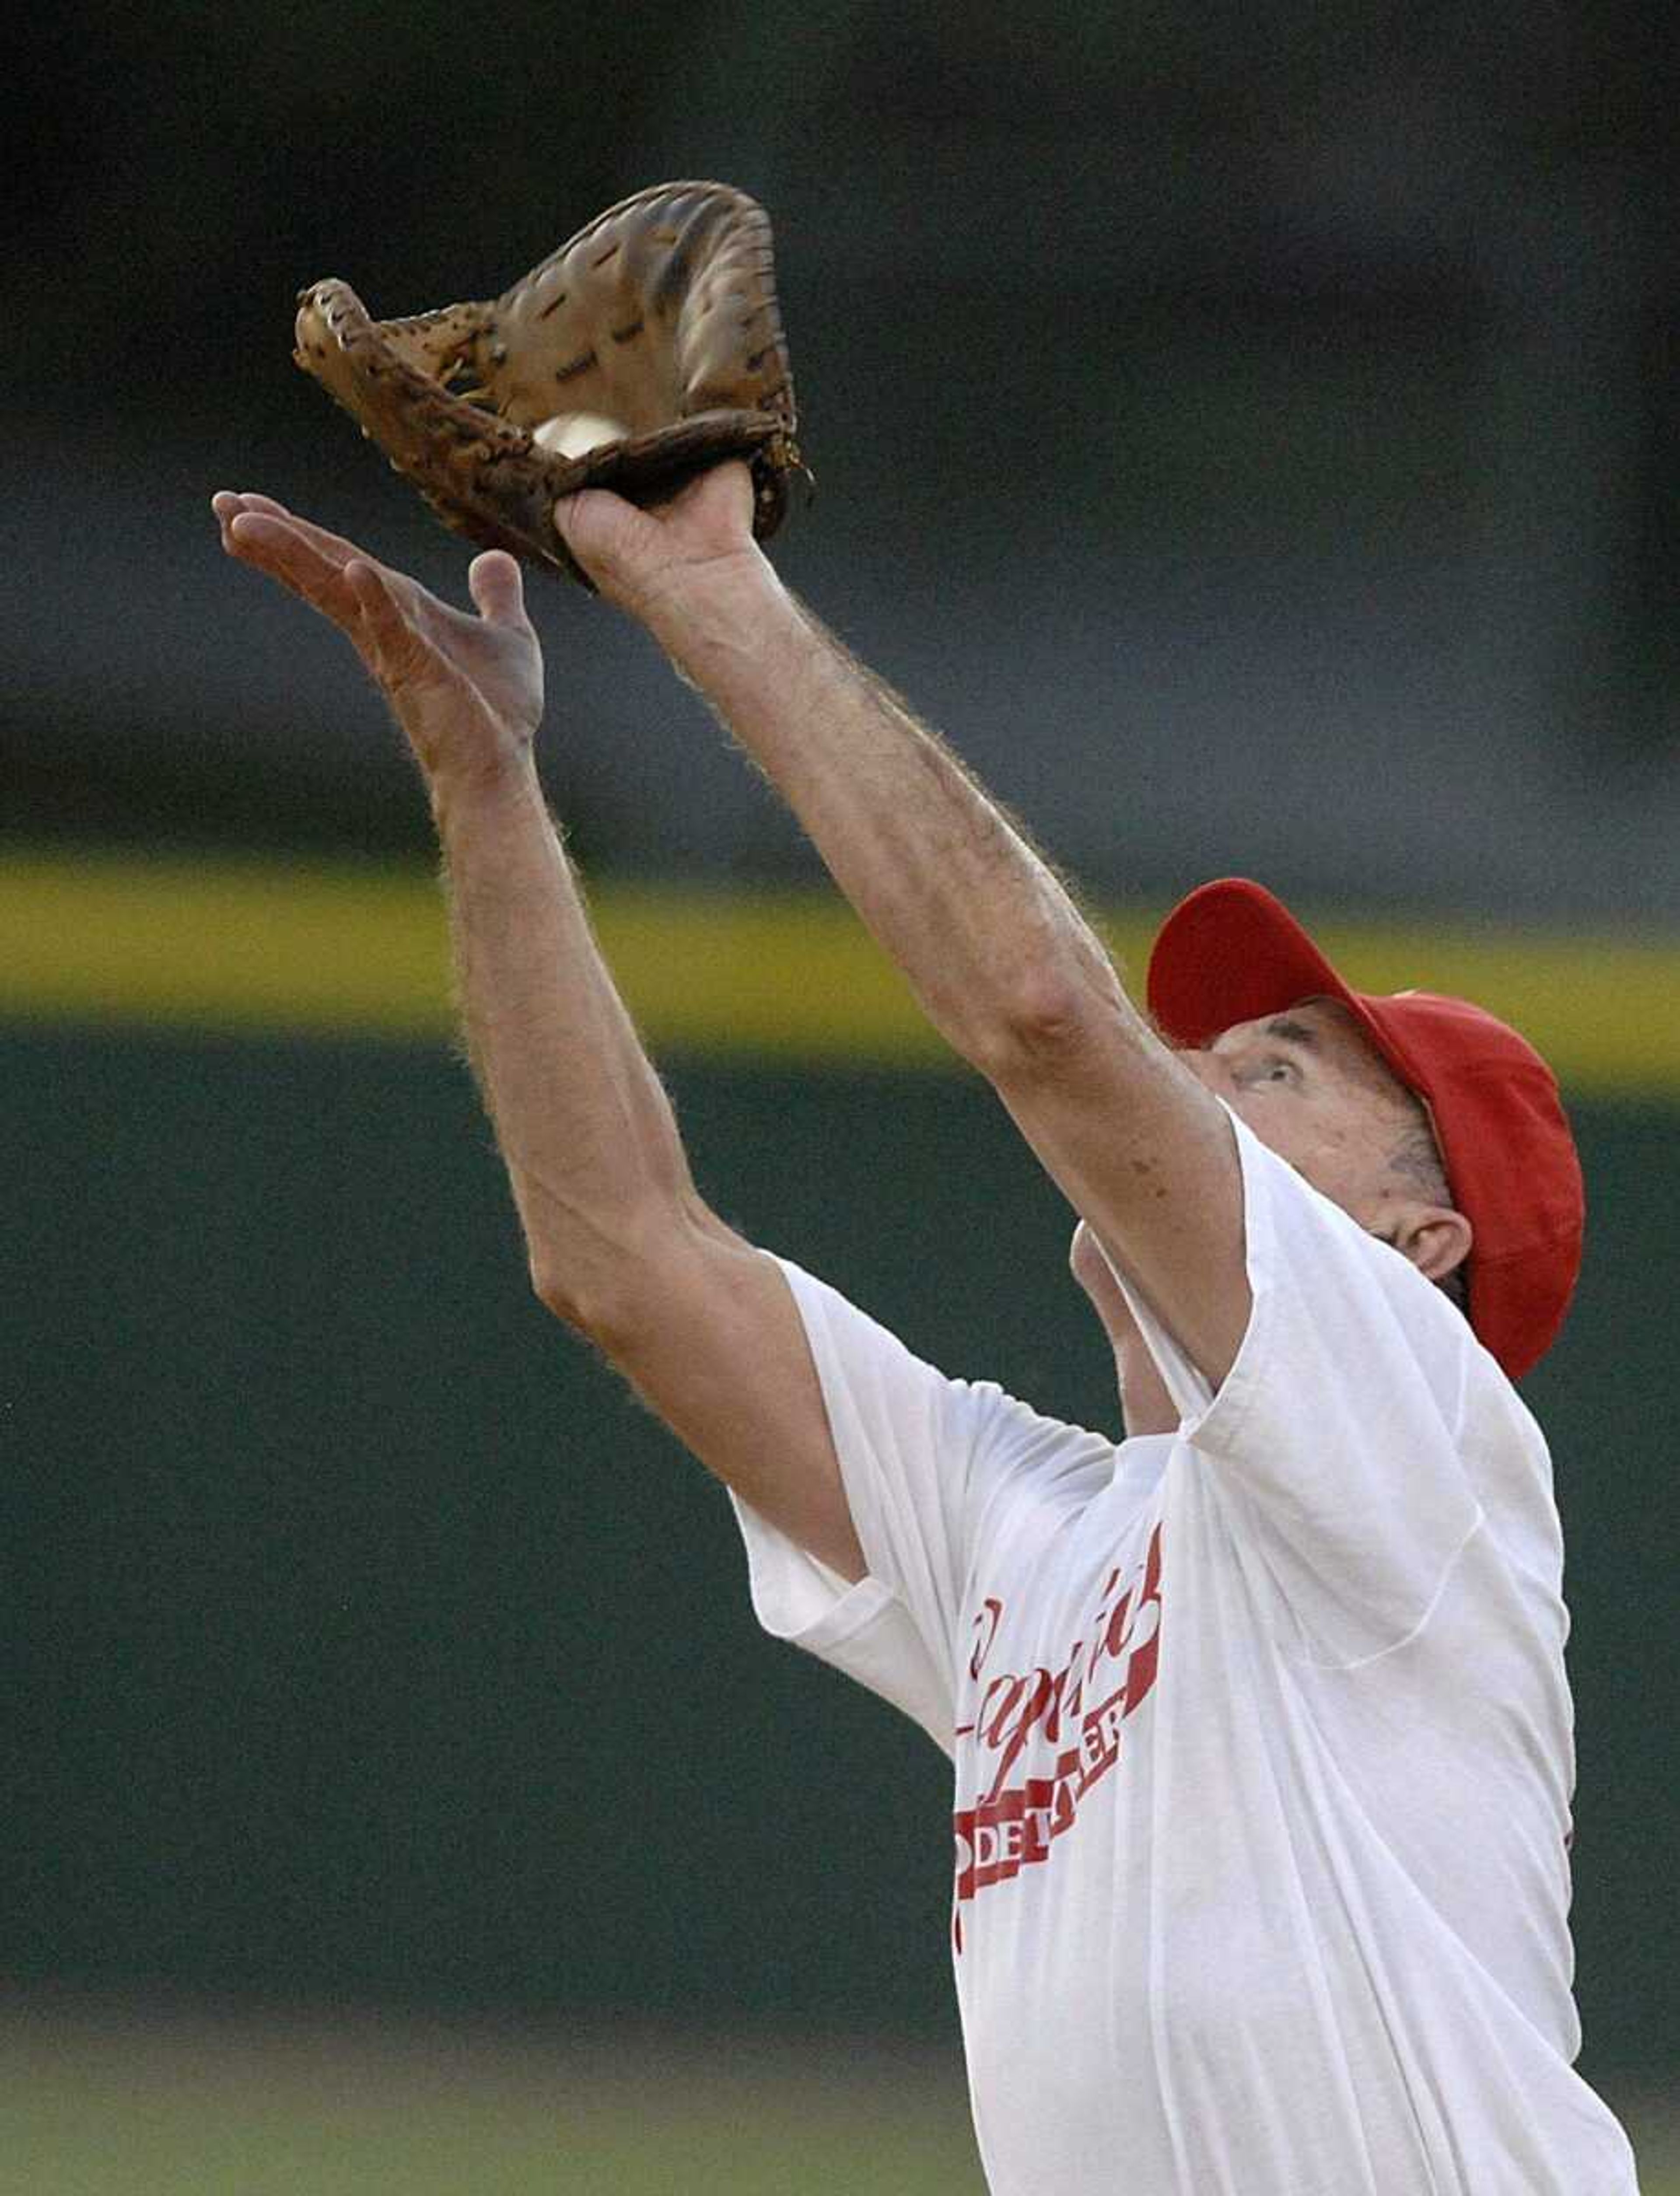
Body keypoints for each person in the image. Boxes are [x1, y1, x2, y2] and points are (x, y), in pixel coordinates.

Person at [212, 466, 1641, 2195]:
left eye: (1274, 1069)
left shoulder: (1424, 1436)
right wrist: (483, 777)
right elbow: (628, 1259)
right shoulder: (1032, 1542)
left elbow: (1043, 1011)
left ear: (1419, 1243)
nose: (1192, 1084)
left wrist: (709, 588)